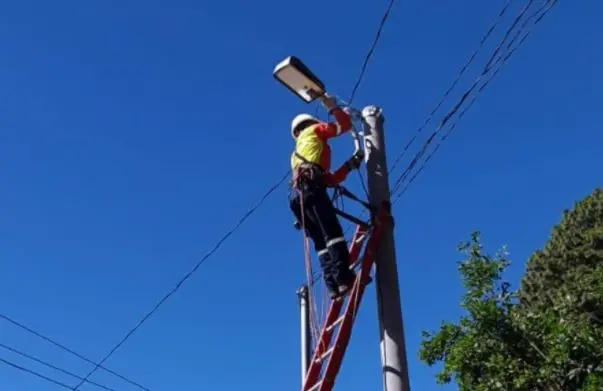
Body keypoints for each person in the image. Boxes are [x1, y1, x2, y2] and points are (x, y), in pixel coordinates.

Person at [289, 93, 363, 298]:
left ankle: (333, 286)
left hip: (297, 198)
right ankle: (344, 279)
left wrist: (349, 165)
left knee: (321, 243)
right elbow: (343, 126)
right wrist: (332, 107)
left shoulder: (297, 154)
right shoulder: (314, 130)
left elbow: (329, 179)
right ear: (311, 123)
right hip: (311, 188)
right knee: (333, 234)